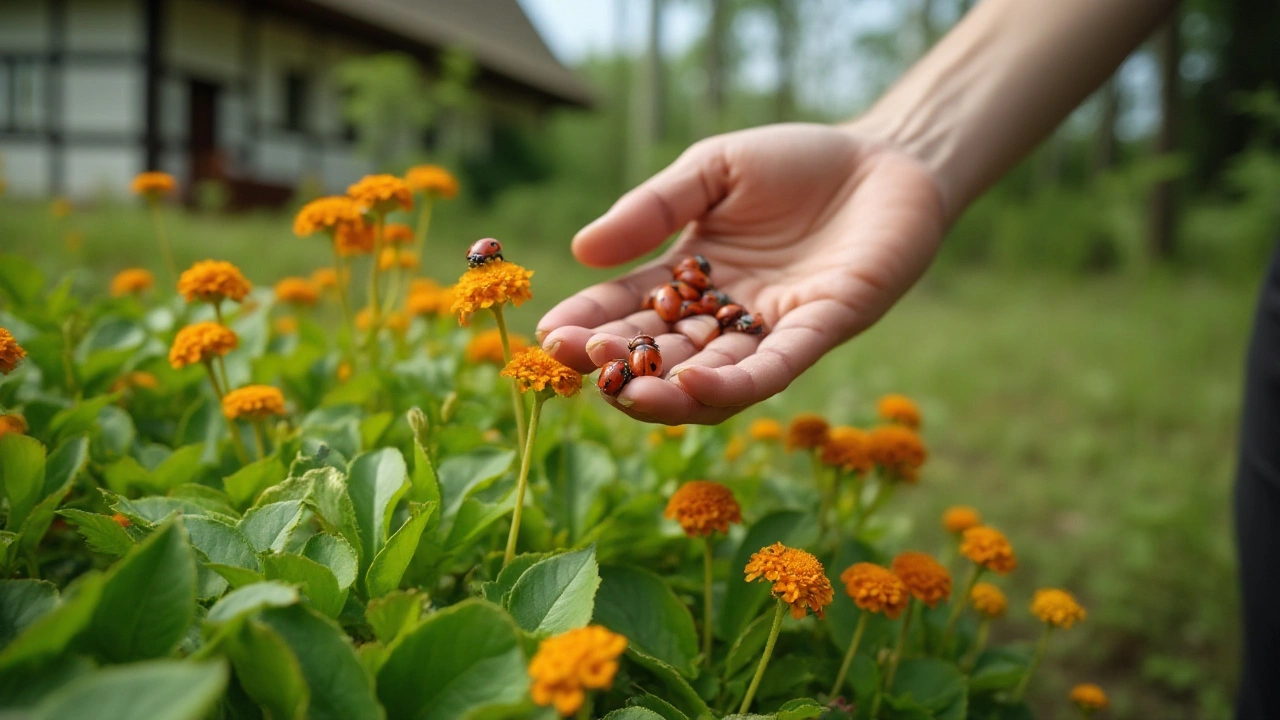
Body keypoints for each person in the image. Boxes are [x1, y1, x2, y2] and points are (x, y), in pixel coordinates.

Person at [536, 1, 1272, 716]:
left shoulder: (690, 304)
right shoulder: (690, 303)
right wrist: (901, 149)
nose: (686, 296)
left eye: (691, 293)